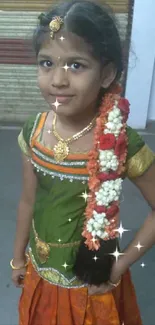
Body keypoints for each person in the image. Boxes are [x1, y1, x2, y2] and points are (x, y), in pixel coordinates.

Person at [11, 1, 155, 324]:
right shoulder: (33, 132)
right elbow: (27, 201)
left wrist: (118, 266)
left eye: (75, 65)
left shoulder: (120, 142)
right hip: (40, 274)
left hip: (90, 286)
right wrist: (18, 259)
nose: (57, 80)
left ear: (106, 74)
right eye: (46, 63)